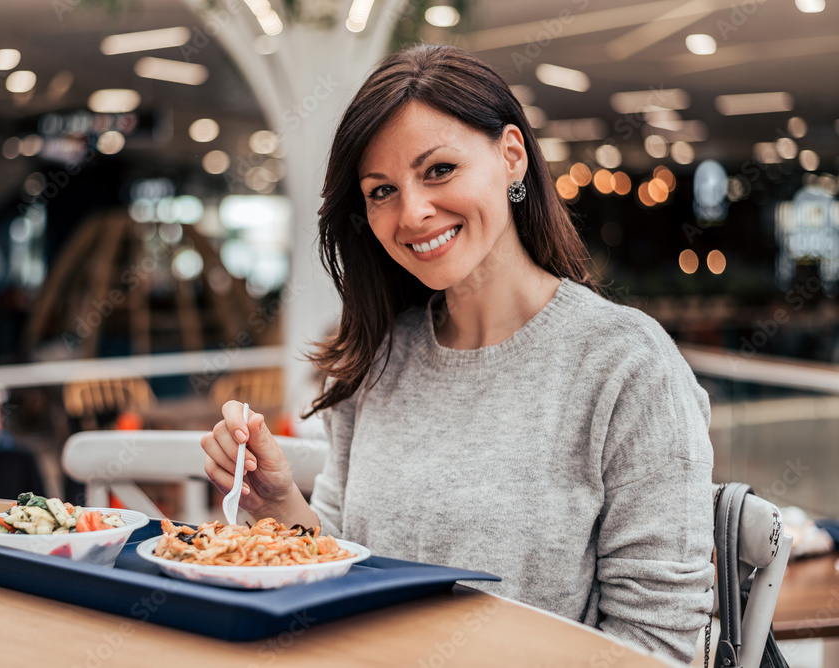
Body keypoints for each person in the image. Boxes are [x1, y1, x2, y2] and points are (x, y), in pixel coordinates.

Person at [201, 45, 713, 664]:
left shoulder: (627, 368)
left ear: (512, 156)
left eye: (439, 170)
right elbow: (345, 570)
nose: (412, 212)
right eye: (382, 189)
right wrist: (278, 506)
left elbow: (657, 647)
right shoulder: (379, 356)